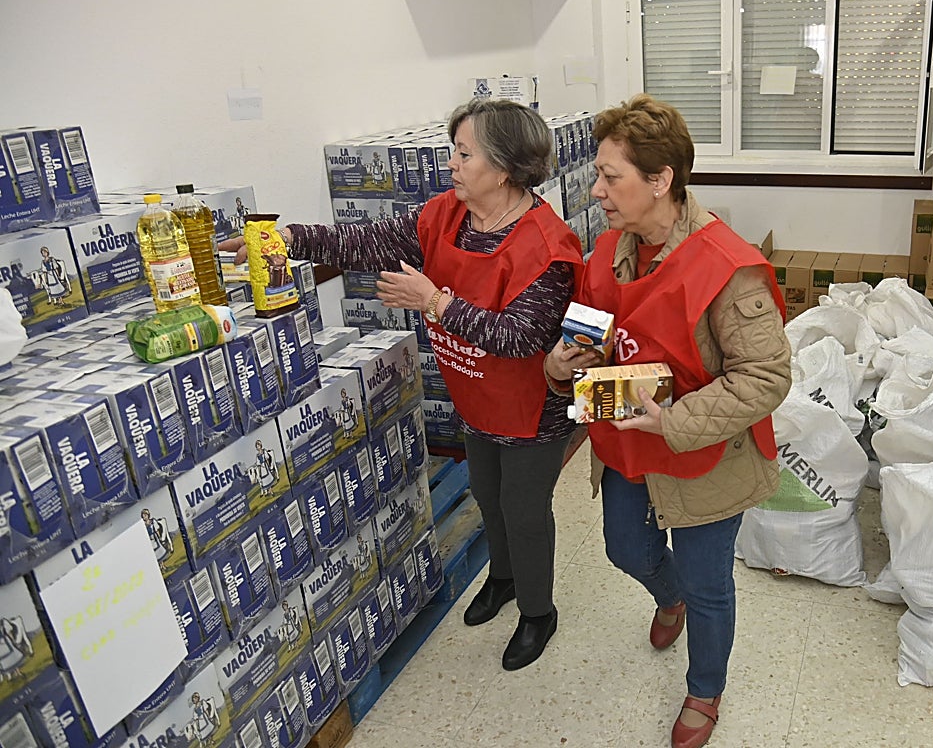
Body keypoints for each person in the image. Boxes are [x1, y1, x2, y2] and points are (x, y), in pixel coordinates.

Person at [220, 98, 584, 671]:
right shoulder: (446, 215)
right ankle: (504, 578)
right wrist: (288, 238)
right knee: (487, 496)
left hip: (530, 408)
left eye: (464, 154)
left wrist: (435, 302)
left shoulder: (548, 245)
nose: (451, 164)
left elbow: (518, 338)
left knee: (524, 511)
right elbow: (365, 241)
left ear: (504, 169)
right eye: (453, 151)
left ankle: (538, 611)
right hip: (477, 398)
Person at [544, 94, 791, 748]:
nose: (596, 191)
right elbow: (586, 338)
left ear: (661, 180)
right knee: (625, 548)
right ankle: (668, 595)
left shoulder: (727, 266)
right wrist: (562, 364)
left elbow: (766, 377)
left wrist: (674, 418)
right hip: (627, 444)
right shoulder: (606, 253)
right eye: (597, 175)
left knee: (710, 585)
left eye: (610, 177)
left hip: (706, 456)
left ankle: (704, 689)